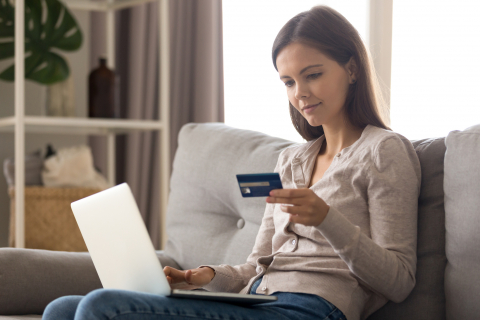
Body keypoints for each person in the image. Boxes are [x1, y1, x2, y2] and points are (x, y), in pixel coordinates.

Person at [43, 5, 420, 320]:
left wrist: (327, 219)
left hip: (313, 308)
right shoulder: (292, 160)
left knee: (98, 306)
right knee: (62, 309)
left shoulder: (383, 151)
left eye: (313, 75)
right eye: (288, 82)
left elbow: (399, 281)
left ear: (352, 69)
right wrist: (204, 276)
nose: (300, 93)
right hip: (261, 298)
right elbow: (257, 266)